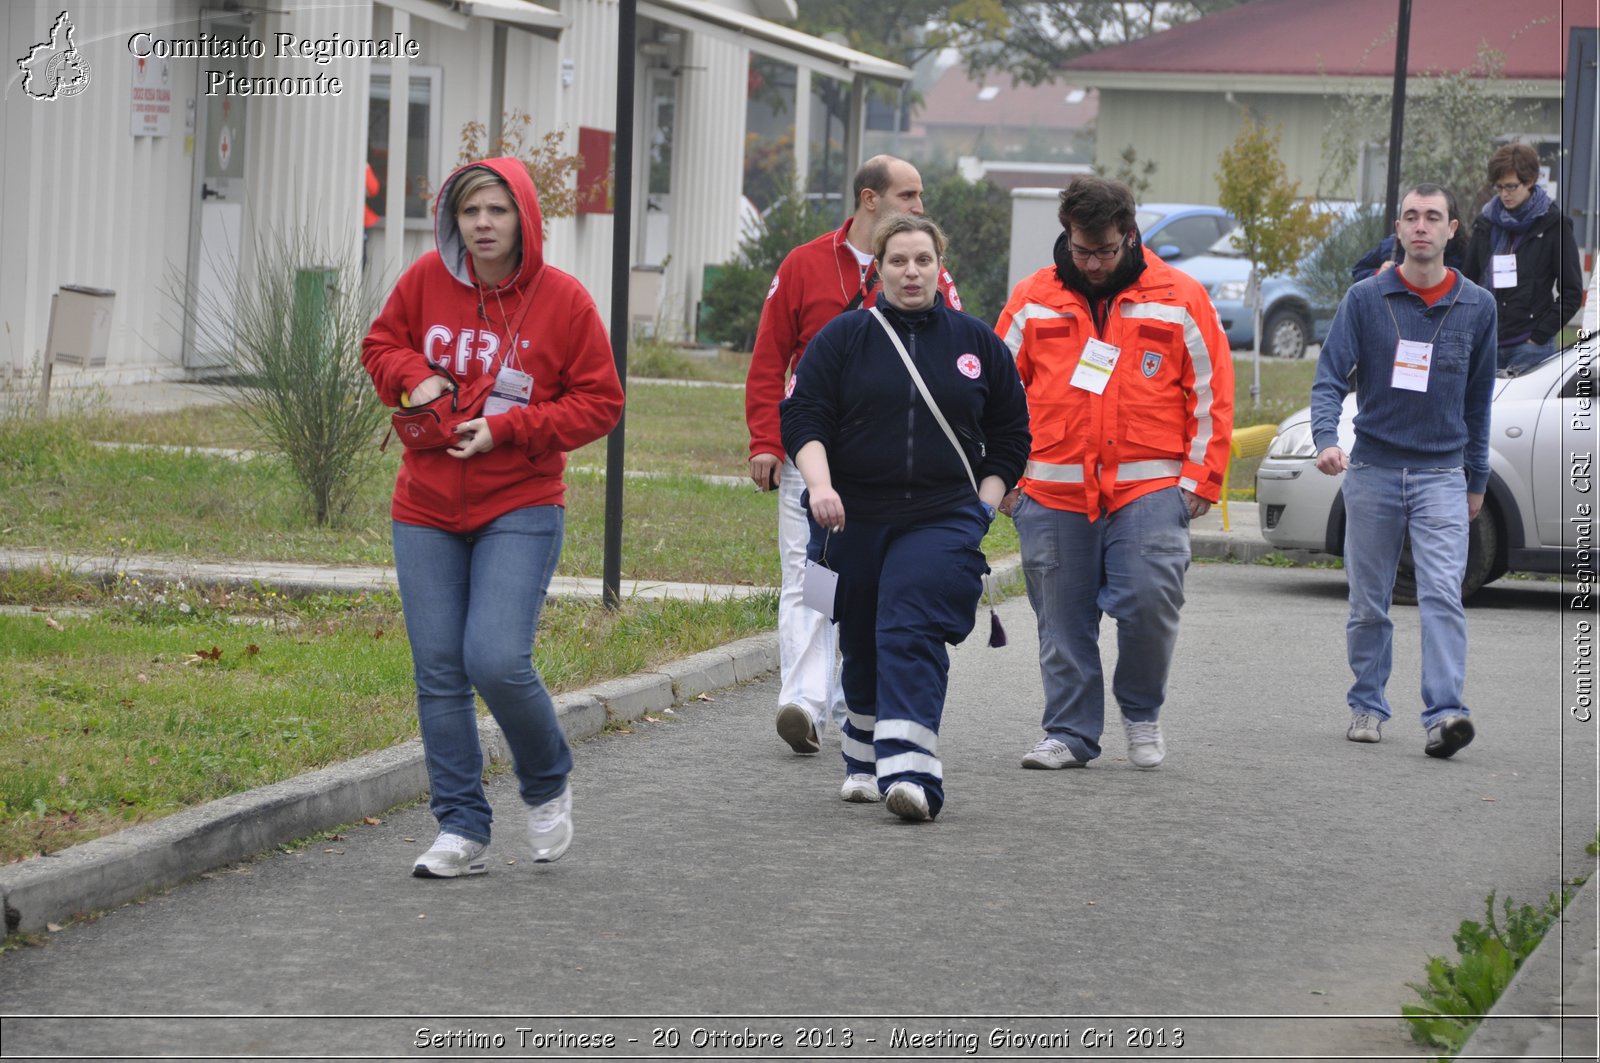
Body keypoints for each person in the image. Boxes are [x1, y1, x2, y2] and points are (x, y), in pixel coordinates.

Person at [362, 158, 624, 876]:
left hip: (520, 503)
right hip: (425, 504)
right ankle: (461, 827)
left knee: (496, 660)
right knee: (439, 670)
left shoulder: (564, 301)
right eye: (470, 211)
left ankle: (545, 782)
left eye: (497, 211)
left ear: (524, 219)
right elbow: (380, 344)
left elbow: (601, 402)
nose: (482, 224)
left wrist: (507, 430)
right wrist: (416, 377)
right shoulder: (424, 281)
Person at [779, 213, 1029, 821]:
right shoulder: (843, 339)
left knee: (908, 628)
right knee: (862, 637)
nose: (911, 272)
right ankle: (862, 758)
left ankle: (913, 774)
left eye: (923, 260)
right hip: (853, 518)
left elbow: (1011, 436)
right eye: (898, 260)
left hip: (943, 517)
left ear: (940, 267)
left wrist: (983, 508)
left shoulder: (976, 343)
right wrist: (819, 485)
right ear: (879, 268)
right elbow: (803, 418)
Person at [996, 175, 1233, 772]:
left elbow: (1211, 389)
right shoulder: (1031, 299)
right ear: (1066, 237)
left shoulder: (1180, 296)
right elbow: (991, 395)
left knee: (1151, 600)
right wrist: (1004, 482)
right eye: (1082, 250)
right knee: (1061, 621)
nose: (1094, 263)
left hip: (1150, 487)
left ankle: (1142, 710)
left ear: (1130, 235)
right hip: (1050, 490)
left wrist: (1199, 479)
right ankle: (1069, 733)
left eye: (1105, 250)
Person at [745, 155, 961, 757]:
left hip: (889, 465)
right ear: (871, 199)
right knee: (810, 574)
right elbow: (768, 358)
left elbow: (956, 358)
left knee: (864, 584)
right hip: (811, 451)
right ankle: (803, 702)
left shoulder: (929, 273)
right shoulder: (805, 264)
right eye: (909, 194)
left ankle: (851, 702)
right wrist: (765, 439)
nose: (919, 206)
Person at [1312, 183, 1497, 758]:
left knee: (1443, 593)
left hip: (1442, 476)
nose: (1421, 226)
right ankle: (1367, 705)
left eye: (1433, 217)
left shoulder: (1478, 306)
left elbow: (1478, 402)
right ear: (1398, 228)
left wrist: (1476, 479)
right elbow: (1327, 379)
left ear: (1452, 229)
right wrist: (1325, 439)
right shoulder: (1365, 300)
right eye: (1411, 217)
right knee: (1369, 601)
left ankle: (1446, 716)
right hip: (1372, 470)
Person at [1461, 142, 1582, 372]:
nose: (1504, 194)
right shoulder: (1485, 222)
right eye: (1499, 188)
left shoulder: (1554, 226)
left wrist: (1538, 335)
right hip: (1486, 342)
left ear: (1531, 181)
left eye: (1511, 186)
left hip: (1530, 347)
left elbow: (1572, 292)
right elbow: (1467, 281)